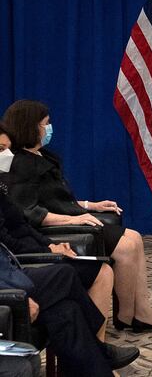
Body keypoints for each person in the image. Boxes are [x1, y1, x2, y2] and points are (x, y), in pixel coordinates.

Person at [0, 100, 152, 334]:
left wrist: (89, 205)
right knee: (126, 246)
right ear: (30, 127)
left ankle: (140, 310)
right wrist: (74, 220)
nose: (49, 128)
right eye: (45, 124)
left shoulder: (43, 156)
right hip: (61, 229)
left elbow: (58, 197)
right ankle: (129, 315)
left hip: (76, 219)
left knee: (135, 238)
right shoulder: (21, 164)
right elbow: (31, 212)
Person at [0, 122, 113, 337]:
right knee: (81, 276)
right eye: (0, 149)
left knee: (67, 307)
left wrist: (50, 244)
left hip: (31, 252)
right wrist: (50, 251)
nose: (7, 154)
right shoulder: (20, 170)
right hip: (20, 263)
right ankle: (100, 348)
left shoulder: (5, 182)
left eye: (7, 148)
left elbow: (24, 225)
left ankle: (99, 351)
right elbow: (9, 239)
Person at [0, 244, 139, 376]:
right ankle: (100, 350)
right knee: (66, 274)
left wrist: (49, 245)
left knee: (66, 311)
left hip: (11, 275)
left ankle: (99, 357)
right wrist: (15, 295)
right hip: (8, 289)